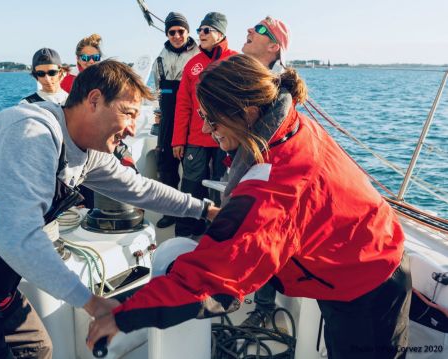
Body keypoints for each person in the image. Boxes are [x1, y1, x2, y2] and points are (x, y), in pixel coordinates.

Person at [87, 55, 411, 359]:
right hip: (350, 261)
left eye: (212, 120)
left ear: (247, 112)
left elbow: (216, 277)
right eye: (202, 117)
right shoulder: (290, 126)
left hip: (367, 280)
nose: (204, 129)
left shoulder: (278, 186)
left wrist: (121, 314)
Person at [0, 60, 218, 359]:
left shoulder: (89, 152)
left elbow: (140, 188)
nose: (132, 128)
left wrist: (204, 210)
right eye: (128, 113)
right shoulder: (32, 131)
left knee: (36, 348)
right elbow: (17, 239)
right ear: (94, 100)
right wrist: (92, 303)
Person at [238, 15, 290, 328]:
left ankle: (264, 308)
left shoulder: (281, 86)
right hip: (251, 170)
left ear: (273, 46)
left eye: (259, 30)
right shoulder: (250, 77)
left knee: (266, 240)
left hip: (274, 180)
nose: (248, 30)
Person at [172, 12, 237, 237]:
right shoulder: (192, 66)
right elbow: (183, 106)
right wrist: (178, 140)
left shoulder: (235, 61)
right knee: (191, 184)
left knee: (223, 186)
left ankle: (217, 233)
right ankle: (186, 231)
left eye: (206, 30)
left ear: (220, 34)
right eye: (199, 30)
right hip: (196, 138)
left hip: (227, 139)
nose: (200, 34)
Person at [151, 12, 199, 229]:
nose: (177, 35)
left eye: (181, 31)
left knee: (192, 167)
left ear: (188, 32)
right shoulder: (160, 58)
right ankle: (170, 211)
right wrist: (158, 112)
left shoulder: (199, 55)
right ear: (167, 33)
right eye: (172, 32)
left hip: (192, 119)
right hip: (168, 118)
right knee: (166, 166)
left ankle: (192, 214)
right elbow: (157, 90)